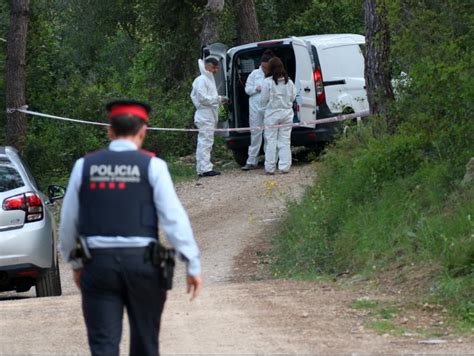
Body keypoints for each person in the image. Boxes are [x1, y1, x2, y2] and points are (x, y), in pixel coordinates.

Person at [59, 99, 202, 356]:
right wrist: (192, 263)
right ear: (143, 131)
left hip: (98, 266)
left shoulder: (84, 166)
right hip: (144, 266)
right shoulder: (153, 166)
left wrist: (76, 264)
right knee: (146, 346)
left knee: (103, 347)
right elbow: (173, 219)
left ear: (110, 131)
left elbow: (69, 222)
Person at [260, 57, 297, 174]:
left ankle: (270, 168)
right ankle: (284, 167)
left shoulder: (267, 82)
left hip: (272, 114)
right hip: (286, 113)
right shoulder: (289, 82)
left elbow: (263, 100)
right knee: (285, 141)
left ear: (270, 68)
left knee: (271, 141)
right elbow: (293, 97)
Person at [191, 57, 226, 178]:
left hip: (208, 115)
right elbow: (203, 98)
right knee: (205, 142)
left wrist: (219, 101)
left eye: (217, 68)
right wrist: (218, 99)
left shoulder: (208, 79)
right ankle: (205, 168)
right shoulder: (202, 80)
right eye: (213, 67)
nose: (215, 70)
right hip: (204, 115)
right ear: (207, 66)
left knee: (205, 142)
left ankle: (202, 168)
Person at [241, 50, 274, 171]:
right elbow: (247, 90)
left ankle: (270, 160)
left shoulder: (273, 75)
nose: (265, 69)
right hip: (255, 108)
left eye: (267, 67)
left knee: (269, 134)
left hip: (269, 108)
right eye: (264, 67)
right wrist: (256, 88)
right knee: (255, 134)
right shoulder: (254, 74)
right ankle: (251, 160)